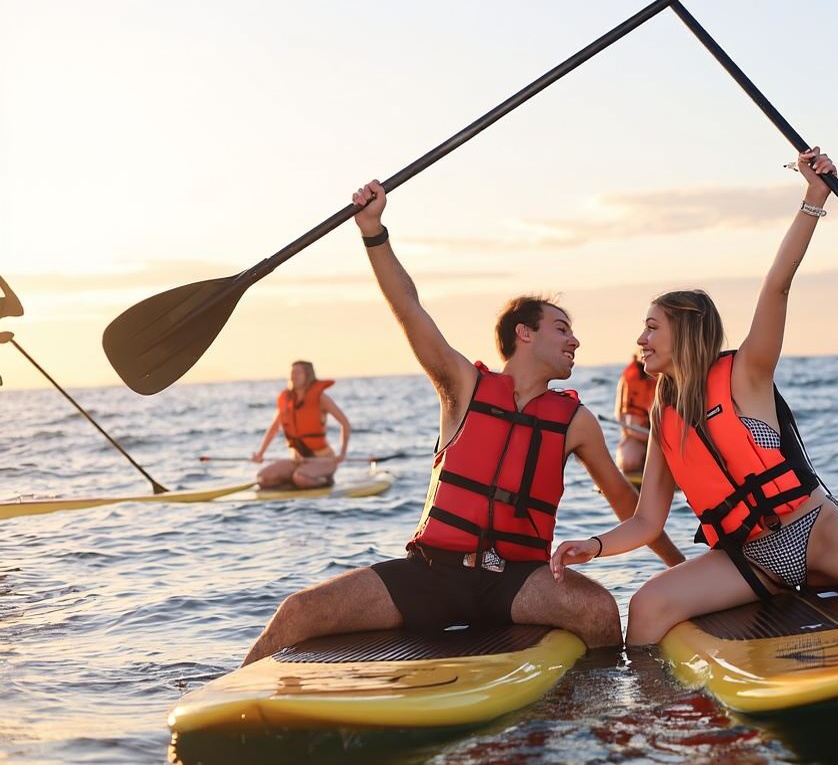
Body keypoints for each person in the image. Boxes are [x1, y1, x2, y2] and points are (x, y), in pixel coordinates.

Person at [551, 149, 838, 646]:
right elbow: (646, 520)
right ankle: (662, 711)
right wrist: (591, 547)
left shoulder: (747, 371)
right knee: (647, 605)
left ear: (684, 332)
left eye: (652, 327)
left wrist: (813, 197)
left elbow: (778, 285)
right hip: (747, 560)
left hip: (816, 536)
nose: (641, 340)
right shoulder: (665, 410)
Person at [240, 180, 684, 665]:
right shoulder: (463, 385)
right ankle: (224, 705)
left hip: (519, 579)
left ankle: (588, 713)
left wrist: (679, 570)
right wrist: (373, 232)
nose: (576, 341)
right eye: (562, 329)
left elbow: (627, 503)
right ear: (524, 333)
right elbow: (409, 309)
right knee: (297, 612)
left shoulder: (575, 420)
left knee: (599, 610)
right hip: (433, 573)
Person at [251, 360, 351, 489]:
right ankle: (297, 481)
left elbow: (345, 423)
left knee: (301, 478)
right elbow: (274, 428)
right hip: (298, 461)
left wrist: (342, 453)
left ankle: (324, 481)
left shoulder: (320, 398)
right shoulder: (287, 400)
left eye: (298, 373)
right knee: (263, 478)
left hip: (323, 460)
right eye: (292, 373)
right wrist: (260, 453)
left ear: (307, 375)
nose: (293, 376)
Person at [614, 350, 655, 475]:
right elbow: (632, 427)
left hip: (670, 439)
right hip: (642, 436)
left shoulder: (680, 372)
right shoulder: (635, 376)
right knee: (630, 460)